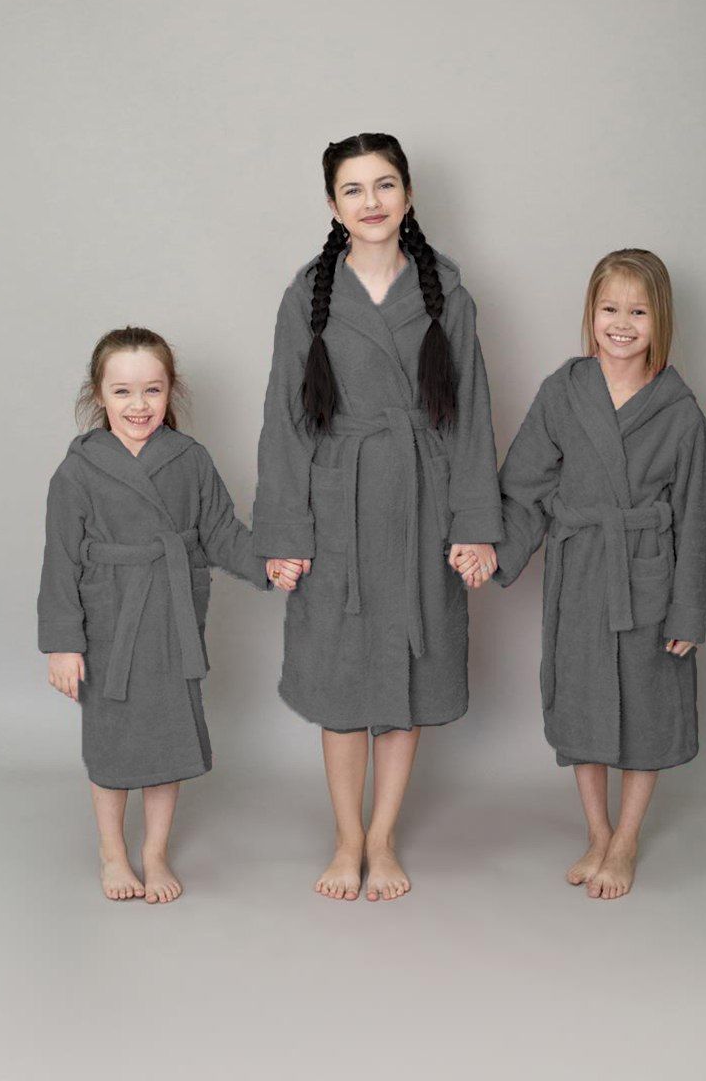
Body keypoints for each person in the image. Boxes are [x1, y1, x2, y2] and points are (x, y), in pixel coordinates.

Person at [253, 133, 501, 901]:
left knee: (405, 674)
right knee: (341, 678)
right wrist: (285, 533)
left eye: (385, 184)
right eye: (354, 189)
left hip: (422, 501)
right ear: (333, 205)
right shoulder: (307, 295)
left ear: (409, 194)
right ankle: (346, 838)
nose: (372, 201)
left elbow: (470, 415)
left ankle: (384, 837)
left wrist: (474, 525)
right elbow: (284, 420)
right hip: (339, 504)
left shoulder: (446, 293)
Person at [460, 250, 706, 899]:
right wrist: (490, 550)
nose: (622, 324)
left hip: (647, 577)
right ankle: (597, 833)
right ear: (591, 314)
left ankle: (626, 841)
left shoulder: (680, 412)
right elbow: (524, 486)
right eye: (609, 309)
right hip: (579, 577)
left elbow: (694, 519)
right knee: (583, 703)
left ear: (661, 320)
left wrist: (688, 610)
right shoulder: (564, 391)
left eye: (638, 312)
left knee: (645, 708)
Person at [38, 327, 268, 902]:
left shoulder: (190, 459)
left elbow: (222, 533)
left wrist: (272, 565)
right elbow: (60, 562)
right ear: (98, 395)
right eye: (122, 391)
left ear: (171, 391)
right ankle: (113, 853)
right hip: (108, 622)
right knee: (112, 741)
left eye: (152, 390)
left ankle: (155, 852)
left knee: (168, 738)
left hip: (171, 616)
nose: (138, 405)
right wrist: (63, 644)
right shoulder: (78, 470)